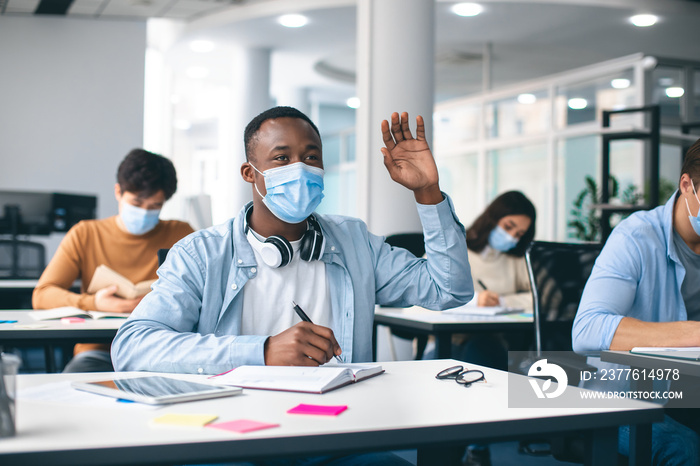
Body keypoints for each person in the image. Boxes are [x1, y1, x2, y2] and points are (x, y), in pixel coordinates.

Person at [111, 107, 472, 465]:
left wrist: (428, 192)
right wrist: (262, 351)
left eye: (311, 156)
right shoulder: (201, 252)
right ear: (250, 173)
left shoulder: (354, 241)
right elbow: (132, 348)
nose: (299, 168)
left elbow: (448, 290)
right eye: (281, 157)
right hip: (228, 434)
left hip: (334, 434)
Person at [572, 138, 700, 465]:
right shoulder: (636, 237)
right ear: (687, 185)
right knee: (684, 449)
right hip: (626, 396)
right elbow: (586, 330)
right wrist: (690, 334)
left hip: (690, 394)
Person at [32, 148, 194, 373]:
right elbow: (42, 295)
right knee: (74, 382)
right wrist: (95, 303)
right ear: (118, 192)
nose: (145, 212)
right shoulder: (85, 234)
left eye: (155, 206)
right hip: (99, 351)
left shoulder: (182, 233)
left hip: (162, 348)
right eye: (137, 203)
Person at [457, 191, 536, 466]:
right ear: (492, 219)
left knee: (486, 353)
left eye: (520, 233)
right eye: (509, 227)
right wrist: (474, 300)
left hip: (496, 346)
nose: (512, 237)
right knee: (480, 354)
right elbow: (423, 294)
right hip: (451, 345)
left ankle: (474, 446)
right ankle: (476, 448)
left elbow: (542, 298)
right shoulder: (455, 248)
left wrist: (502, 299)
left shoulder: (515, 259)